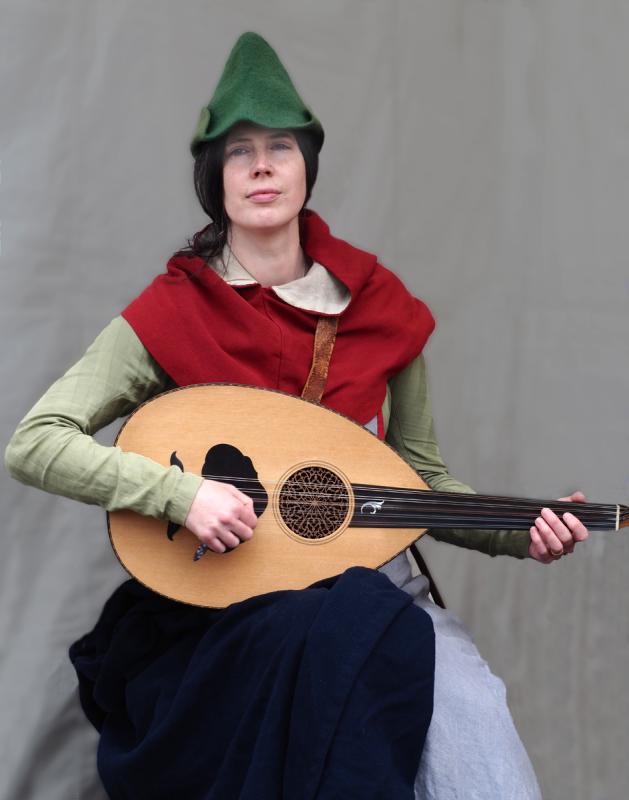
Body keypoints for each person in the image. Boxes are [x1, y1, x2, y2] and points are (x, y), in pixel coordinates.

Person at [5, 32, 589, 800]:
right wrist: (180, 494)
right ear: (214, 178)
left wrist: (521, 531)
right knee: (306, 710)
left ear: (306, 166)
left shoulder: (381, 310)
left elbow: (418, 482)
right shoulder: (172, 312)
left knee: (474, 728)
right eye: (238, 151)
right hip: (227, 607)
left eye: (279, 147)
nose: (261, 166)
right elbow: (36, 442)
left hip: (375, 594)